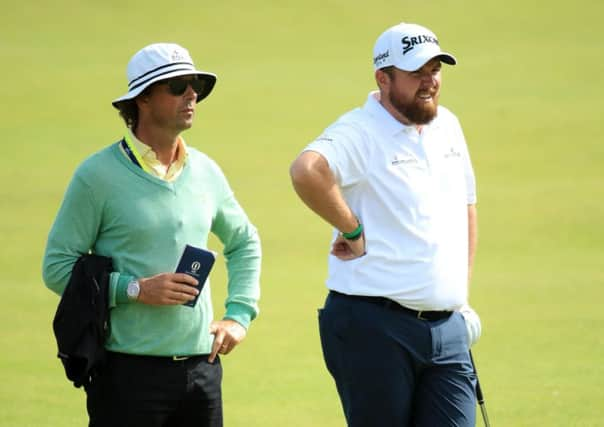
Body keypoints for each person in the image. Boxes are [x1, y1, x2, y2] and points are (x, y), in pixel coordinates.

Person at [42, 43, 261, 427]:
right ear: (142, 99)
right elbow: (57, 268)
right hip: (127, 376)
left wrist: (238, 316)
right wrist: (136, 290)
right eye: (178, 86)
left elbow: (244, 242)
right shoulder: (96, 176)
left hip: (202, 372)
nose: (192, 94)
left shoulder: (206, 171)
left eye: (195, 86)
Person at [290, 22, 482, 426]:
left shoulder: (448, 125)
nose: (429, 81)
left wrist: (460, 297)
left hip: (446, 329)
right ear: (384, 77)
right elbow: (307, 171)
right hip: (373, 327)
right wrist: (351, 228)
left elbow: (465, 209)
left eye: (435, 69)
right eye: (417, 73)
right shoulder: (360, 131)